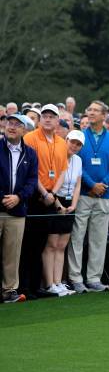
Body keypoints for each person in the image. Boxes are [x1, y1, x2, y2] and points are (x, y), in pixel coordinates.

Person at [68, 101, 109, 293]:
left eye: (95, 110)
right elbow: (77, 163)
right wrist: (91, 185)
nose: (90, 113)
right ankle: (75, 278)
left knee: (98, 239)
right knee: (77, 237)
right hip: (84, 193)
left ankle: (93, 278)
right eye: (89, 109)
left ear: (103, 115)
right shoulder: (81, 136)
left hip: (105, 195)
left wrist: (103, 185)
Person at [23, 104, 68, 297]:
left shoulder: (61, 142)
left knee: (42, 242)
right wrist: (45, 193)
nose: (48, 119)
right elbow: (30, 170)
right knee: (29, 242)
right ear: (39, 120)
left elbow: (62, 170)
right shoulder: (30, 138)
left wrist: (53, 194)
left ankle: (36, 286)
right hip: (34, 194)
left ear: (58, 121)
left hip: (51, 195)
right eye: (45, 116)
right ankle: (24, 287)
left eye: (52, 116)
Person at [43, 130, 85, 296]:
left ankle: (59, 282)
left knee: (61, 245)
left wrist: (74, 204)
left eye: (78, 144)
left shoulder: (79, 160)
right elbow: (52, 183)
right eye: (72, 142)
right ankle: (49, 284)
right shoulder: (56, 157)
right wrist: (58, 205)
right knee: (52, 244)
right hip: (55, 201)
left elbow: (78, 185)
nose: (74, 146)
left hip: (69, 205)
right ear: (66, 140)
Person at [1, 114, 38, 303]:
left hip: (17, 210)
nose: (12, 127)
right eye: (9, 123)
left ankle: (9, 290)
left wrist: (18, 197)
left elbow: (32, 181)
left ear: (25, 130)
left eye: (17, 124)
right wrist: (4, 198)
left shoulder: (30, 153)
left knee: (12, 253)